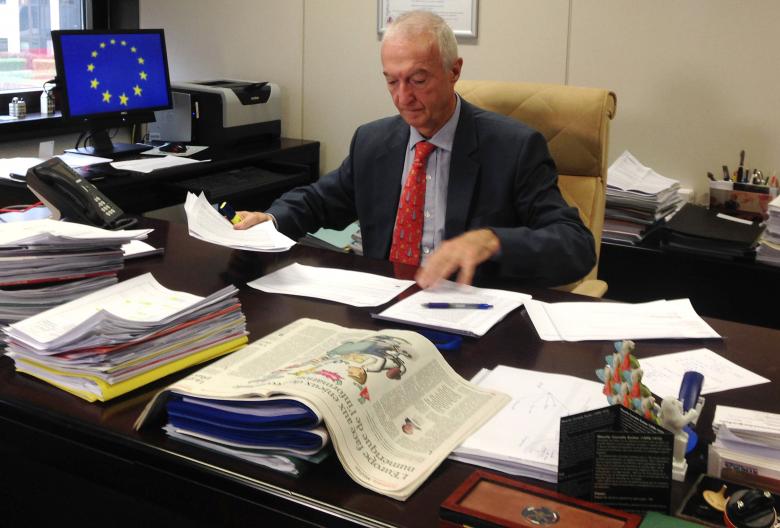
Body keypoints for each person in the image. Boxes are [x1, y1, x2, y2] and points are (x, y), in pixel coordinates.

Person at [234, 10, 595, 288]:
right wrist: (272, 219)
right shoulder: (373, 142)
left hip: (467, 318)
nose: (403, 97)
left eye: (418, 80)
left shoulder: (513, 147)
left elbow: (576, 246)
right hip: (380, 306)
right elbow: (318, 200)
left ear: (454, 71)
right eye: (392, 81)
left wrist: (492, 241)